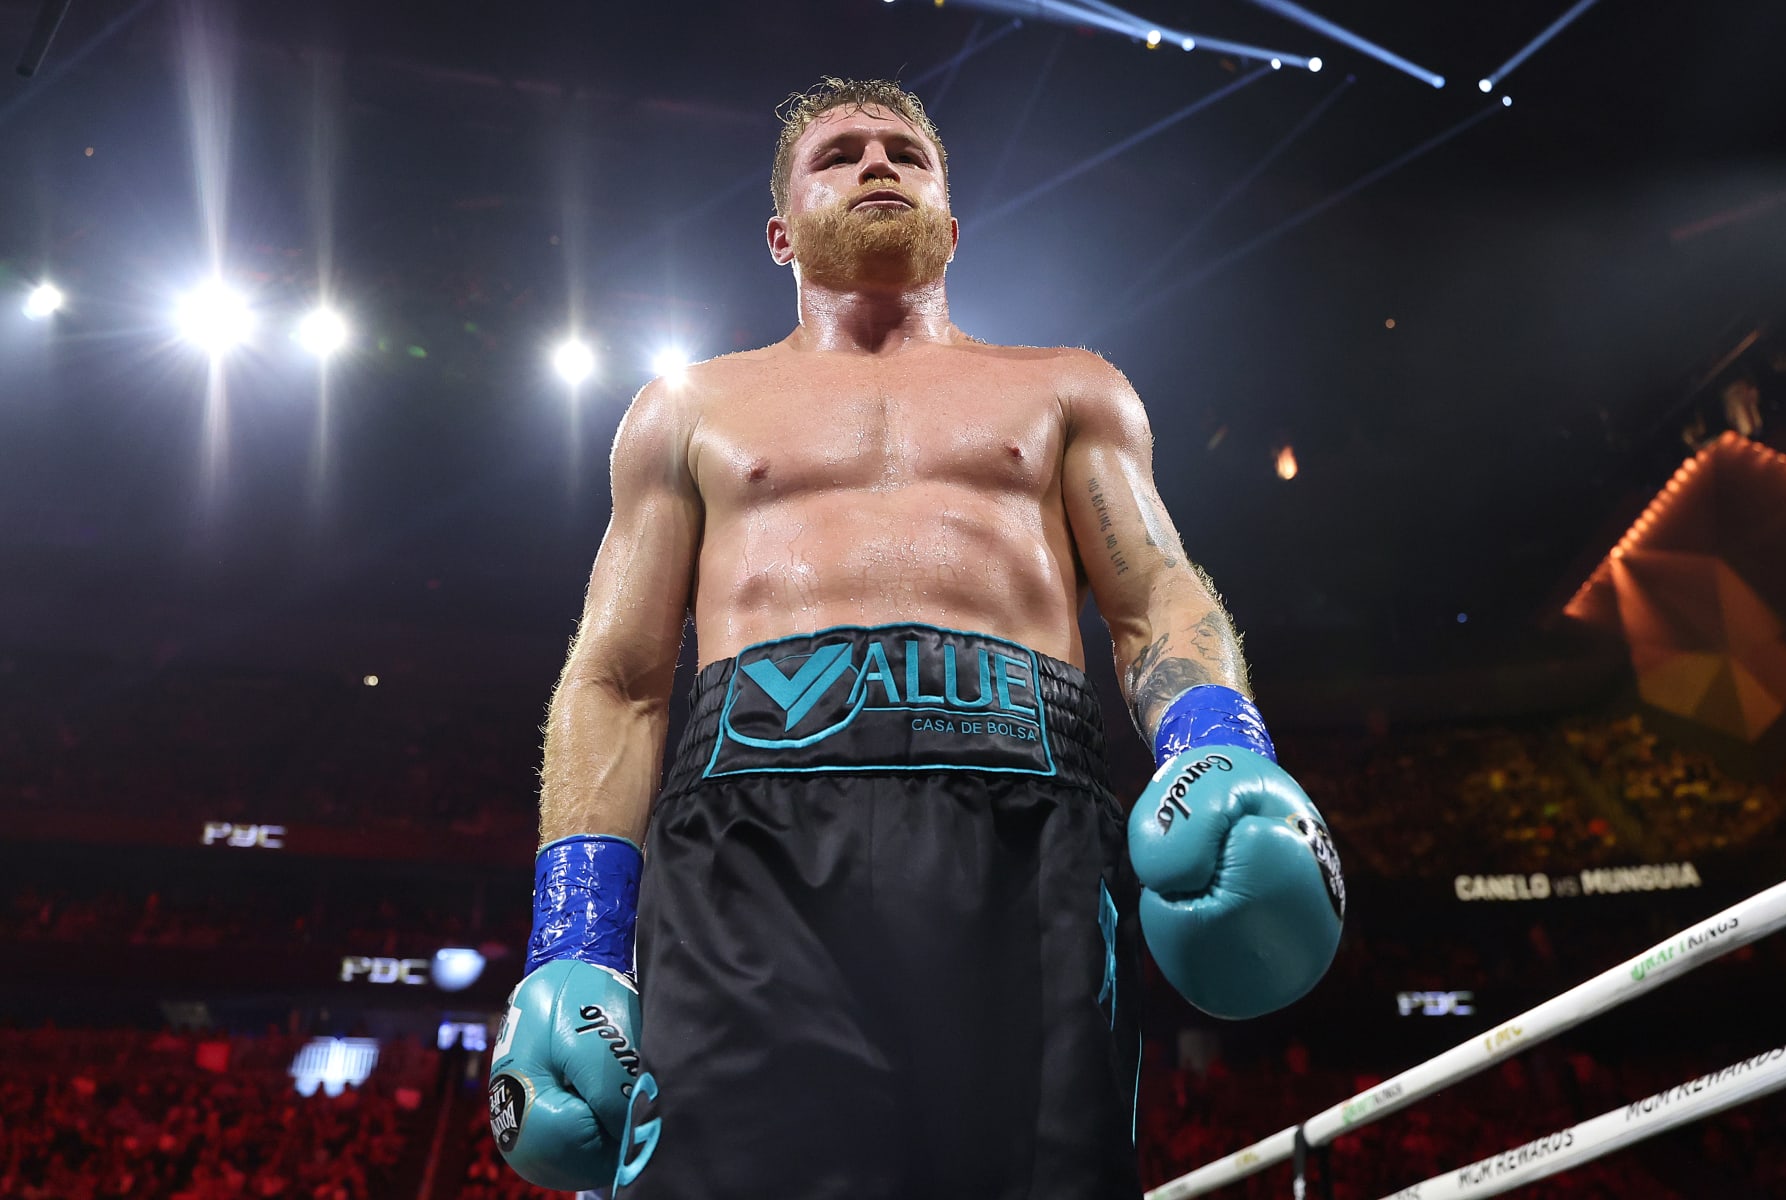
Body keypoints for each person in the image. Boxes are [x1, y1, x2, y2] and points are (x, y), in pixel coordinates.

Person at [487, 77, 1345, 1200]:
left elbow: (1158, 598)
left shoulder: (1067, 387)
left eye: (908, 152)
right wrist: (575, 936)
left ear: (953, 219)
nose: (880, 164)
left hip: (1028, 822)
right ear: (780, 231)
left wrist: (1220, 741)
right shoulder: (685, 408)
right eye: (841, 153)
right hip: (752, 841)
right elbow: (619, 677)